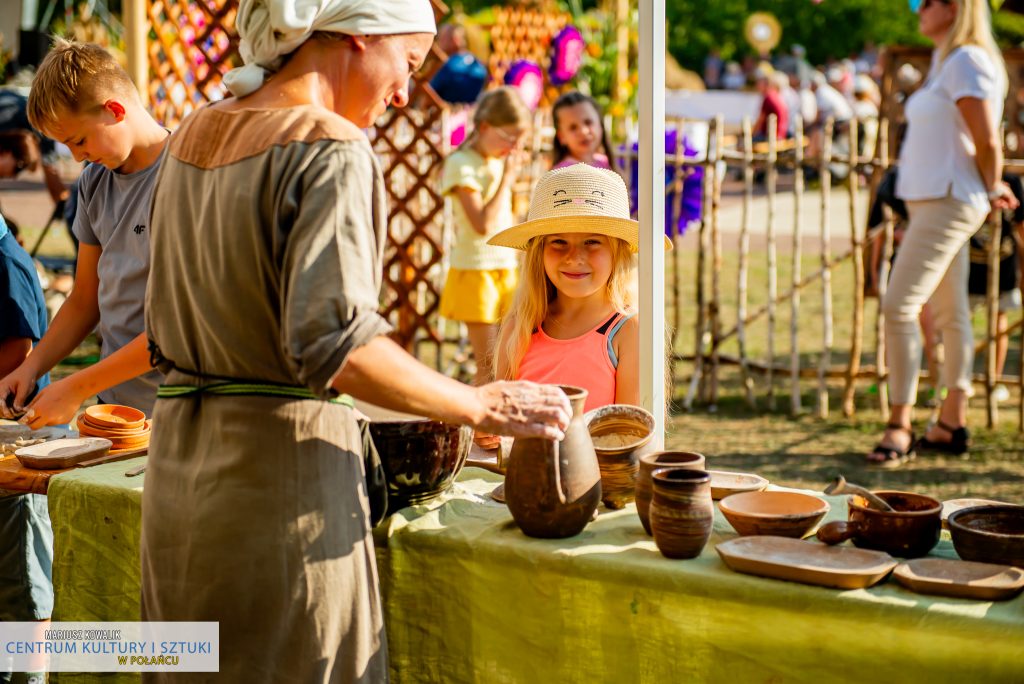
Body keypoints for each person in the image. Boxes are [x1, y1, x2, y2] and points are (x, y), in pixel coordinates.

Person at [141, 1, 570, 680]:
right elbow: (335, 343)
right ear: (359, 34)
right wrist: (480, 406)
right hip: (281, 497)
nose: (405, 91)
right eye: (406, 63)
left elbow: (165, 324)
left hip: (176, 486)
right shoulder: (329, 148)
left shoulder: (195, 130)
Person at [869, 0, 1015, 465]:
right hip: (936, 199)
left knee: (898, 305)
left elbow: (987, 138)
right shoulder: (949, 61)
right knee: (951, 313)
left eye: (926, 2)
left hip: (948, 200)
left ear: (954, 7)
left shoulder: (968, 60)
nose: (918, 8)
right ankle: (951, 421)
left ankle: (900, 423)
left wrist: (993, 188)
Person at [0, 39, 168, 427]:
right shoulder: (95, 181)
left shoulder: (184, 176)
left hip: (178, 410)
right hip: (116, 407)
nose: (76, 157)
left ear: (114, 110)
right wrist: (32, 367)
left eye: (79, 140)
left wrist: (76, 387)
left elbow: (176, 330)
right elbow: (83, 300)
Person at [488, 164, 673, 412]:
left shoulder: (628, 331)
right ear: (539, 253)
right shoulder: (521, 326)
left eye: (592, 242)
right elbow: (502, 416)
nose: (574, 257)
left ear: (617, 252)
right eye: (559, 242)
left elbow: (631, 433)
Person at [438, 86, 530, 385]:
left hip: (505, 268)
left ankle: (501, 431)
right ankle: (482, 431)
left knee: (509, 362)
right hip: (476, 273)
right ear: (485, 126)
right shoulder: (461, 164)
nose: (513, 147)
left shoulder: (496, 161)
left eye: (519, 140)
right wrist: (506, 178)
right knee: (488, 366)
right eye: (508, 138)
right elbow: (481, 223)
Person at [0, 213, 50, 684]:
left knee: (22, 578)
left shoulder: (6, 265)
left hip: (18, 448)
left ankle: (29, 678)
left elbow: (14, 367)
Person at [967, 172, 1024, 402]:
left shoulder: (1013, 179)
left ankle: (996, 378)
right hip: (970, 266)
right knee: (962, 323)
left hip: (1004, 266)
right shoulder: (969, 172)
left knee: (999, 321)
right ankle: (962, 379)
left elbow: (1021, 225)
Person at [551, 90, 612, 170]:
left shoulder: (605, 162)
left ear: (600, 125)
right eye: (573, 127)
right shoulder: (563, 172)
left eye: (588, 122)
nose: (583, 132)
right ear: (561, 137)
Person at [752, 64, 788, 141]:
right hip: (780, 134)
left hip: (773, 136)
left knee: (744, 142)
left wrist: (751, 134)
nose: (756, 85)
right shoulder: (774, 94)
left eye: (758, 82)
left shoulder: (768, 97)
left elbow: (760, 121)